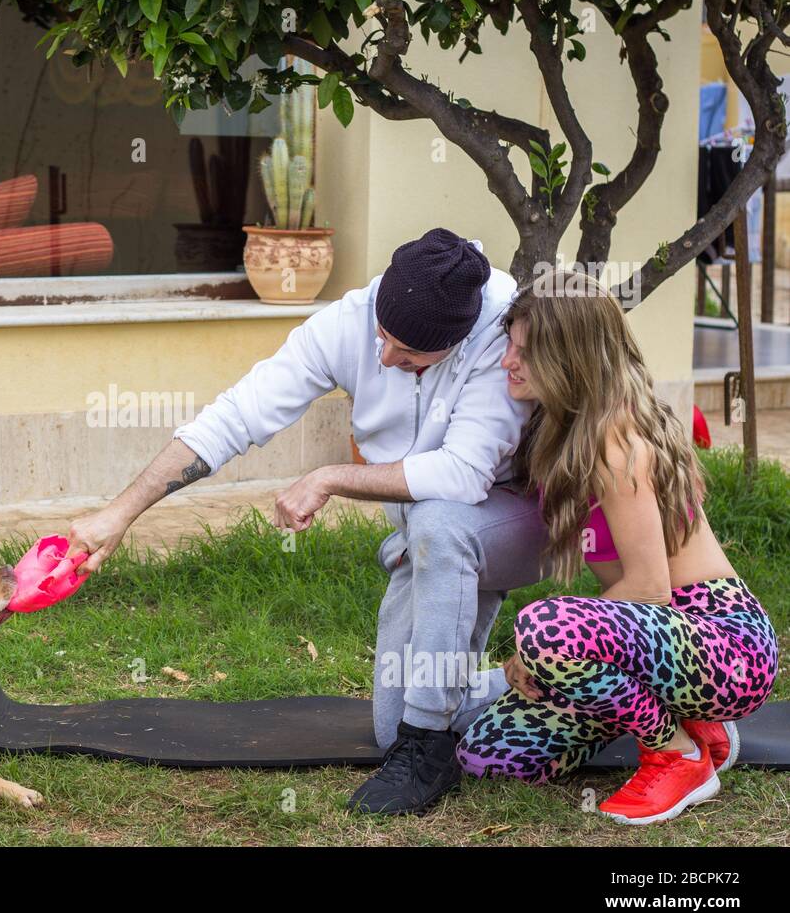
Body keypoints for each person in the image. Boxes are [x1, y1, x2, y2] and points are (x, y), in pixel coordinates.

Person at [56, 228, 548, 815]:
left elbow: (465, 475)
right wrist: (120, 514)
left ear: (457, 338)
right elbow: (237, 414)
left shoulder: (498, 336)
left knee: (441, 526)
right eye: (383, 338)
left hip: (518, 523)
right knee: (393, 721)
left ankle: (429, 749)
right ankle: (540, 683)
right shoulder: (350, 321)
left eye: (410, 355)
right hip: (431, 540)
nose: (387, 359)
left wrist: (329, 477)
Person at [455, 270, 779, 825]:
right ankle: (690, 721)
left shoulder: (614, 438)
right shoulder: (562, 428)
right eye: (510, 344)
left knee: (546, 629)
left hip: (723, 641)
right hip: (654, 648)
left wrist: (536, 651)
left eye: (526, 352)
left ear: (572, 358)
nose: (508, 361)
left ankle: (675, 752)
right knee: (489, 753)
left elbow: (651, 589)